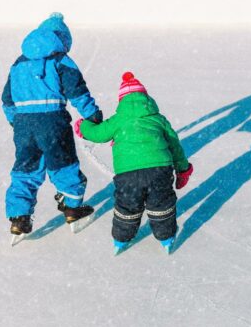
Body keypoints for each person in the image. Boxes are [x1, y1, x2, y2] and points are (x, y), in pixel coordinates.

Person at [1, 13, 103, 236]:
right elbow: (76, 91)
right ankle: (72, 208)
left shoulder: (18, 63)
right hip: (53, 121)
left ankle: (19, 217)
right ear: (62, 39)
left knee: (26, 168)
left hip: (24, 125)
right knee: (63, 163)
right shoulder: (60, 60)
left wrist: (16, 122)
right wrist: (92, 114)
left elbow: (7, 99)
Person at [76, 71, 193, 254]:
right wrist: (183, 169)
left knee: (127, 207)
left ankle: (121, 240)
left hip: (128, 174)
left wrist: (84, 126)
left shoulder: (118, 120)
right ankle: (166, 237)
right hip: (159, 170)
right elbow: (175, 145)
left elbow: (97, 134)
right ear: (146, 98)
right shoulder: (158, 119)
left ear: (121, 100)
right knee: (161, 204)